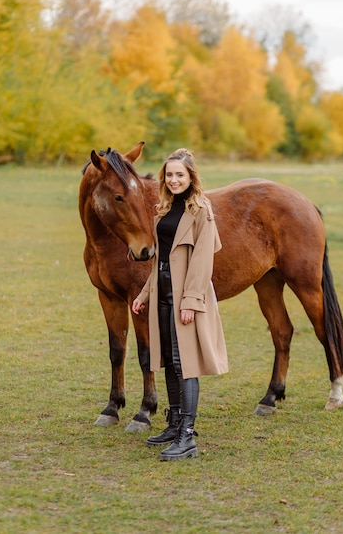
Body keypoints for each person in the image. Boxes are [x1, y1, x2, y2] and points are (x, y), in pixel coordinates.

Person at [132, 148, 228, 461]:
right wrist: (144, 294)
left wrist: (191, 301)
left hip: (187, 297)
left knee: (184, 361)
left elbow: (202, 261)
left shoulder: (201, 210)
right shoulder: (163, 209)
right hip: (162, 294)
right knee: (170, 361)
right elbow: (160, 259)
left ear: (191, 177)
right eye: (169, 175)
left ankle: (187, 435)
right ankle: (174, 424)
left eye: (180, 175)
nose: (174, 180)